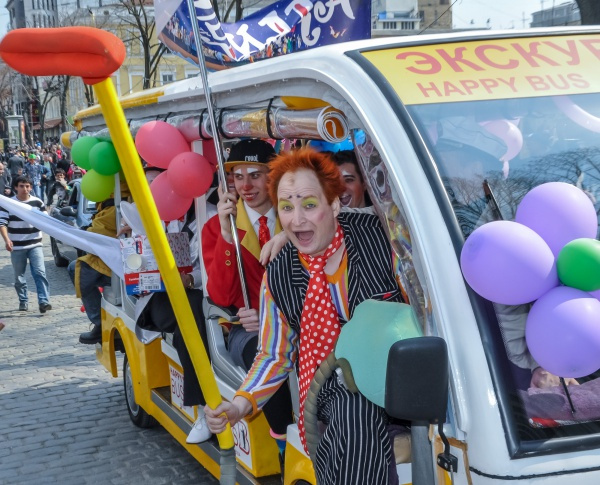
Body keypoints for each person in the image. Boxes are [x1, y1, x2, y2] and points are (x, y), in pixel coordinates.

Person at [205, 149, 404, 483]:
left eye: (309, 205)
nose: (296, 220)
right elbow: (274, 354)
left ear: (335, 205)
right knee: (354, 406)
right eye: (286, 208)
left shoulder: (378, 236)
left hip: (400, 379)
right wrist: (239, 404)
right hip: (329, 391)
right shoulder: (278, 274)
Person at [201, 139, 294, 453]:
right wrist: (227, 238)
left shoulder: (295, 220)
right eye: (238, 177)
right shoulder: (216, 228)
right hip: (247, 329)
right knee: (263, 353)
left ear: (273, 176)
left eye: (255, 175)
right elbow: (220, 294)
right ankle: (285, 447)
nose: (245, 186)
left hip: (298, 320)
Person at [68, 182, 128, 344]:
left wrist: (82, 234)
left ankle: (99, 321)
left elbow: (99, 232)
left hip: (121, 264)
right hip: (116, 260)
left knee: (76, 269)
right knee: (78, 268)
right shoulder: (112, 204)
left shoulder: (116, 205)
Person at [0, 175, 52, 313]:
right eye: (21, 186)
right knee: (19, 276)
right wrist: (7, 240)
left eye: (27, 186)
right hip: (17, 246)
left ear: (31, 187)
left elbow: (46, 220)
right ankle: (23, 300)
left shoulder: (37, 202)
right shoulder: (9, 204)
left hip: (35, 244)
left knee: (40, 272)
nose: (25, 189)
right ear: (15, 187)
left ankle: (44, 301)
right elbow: (2, 223)